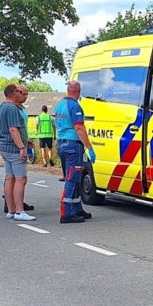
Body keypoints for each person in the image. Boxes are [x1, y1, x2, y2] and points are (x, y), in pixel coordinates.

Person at [54, 80, 94, 224]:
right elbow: (79, 128)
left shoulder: (59, 105)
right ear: (79, 91)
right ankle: (66, 212)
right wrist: (89, 147)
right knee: (72, 180)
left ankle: (77, 209)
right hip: (73, 146)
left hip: (61, 144)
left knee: (74, 178)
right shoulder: (74, 106)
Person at [0, 83, 34, 221]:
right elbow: (13, 129)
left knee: (9, 178)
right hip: (14, 148)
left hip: (5, 147)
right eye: (21, 92)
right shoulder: (12, 109)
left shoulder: (1, 107)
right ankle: (19, 211)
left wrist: (25, 140)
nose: (24, 96)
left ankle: (11, 210)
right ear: (14, 92)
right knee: (21, 179)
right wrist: (22, 147)